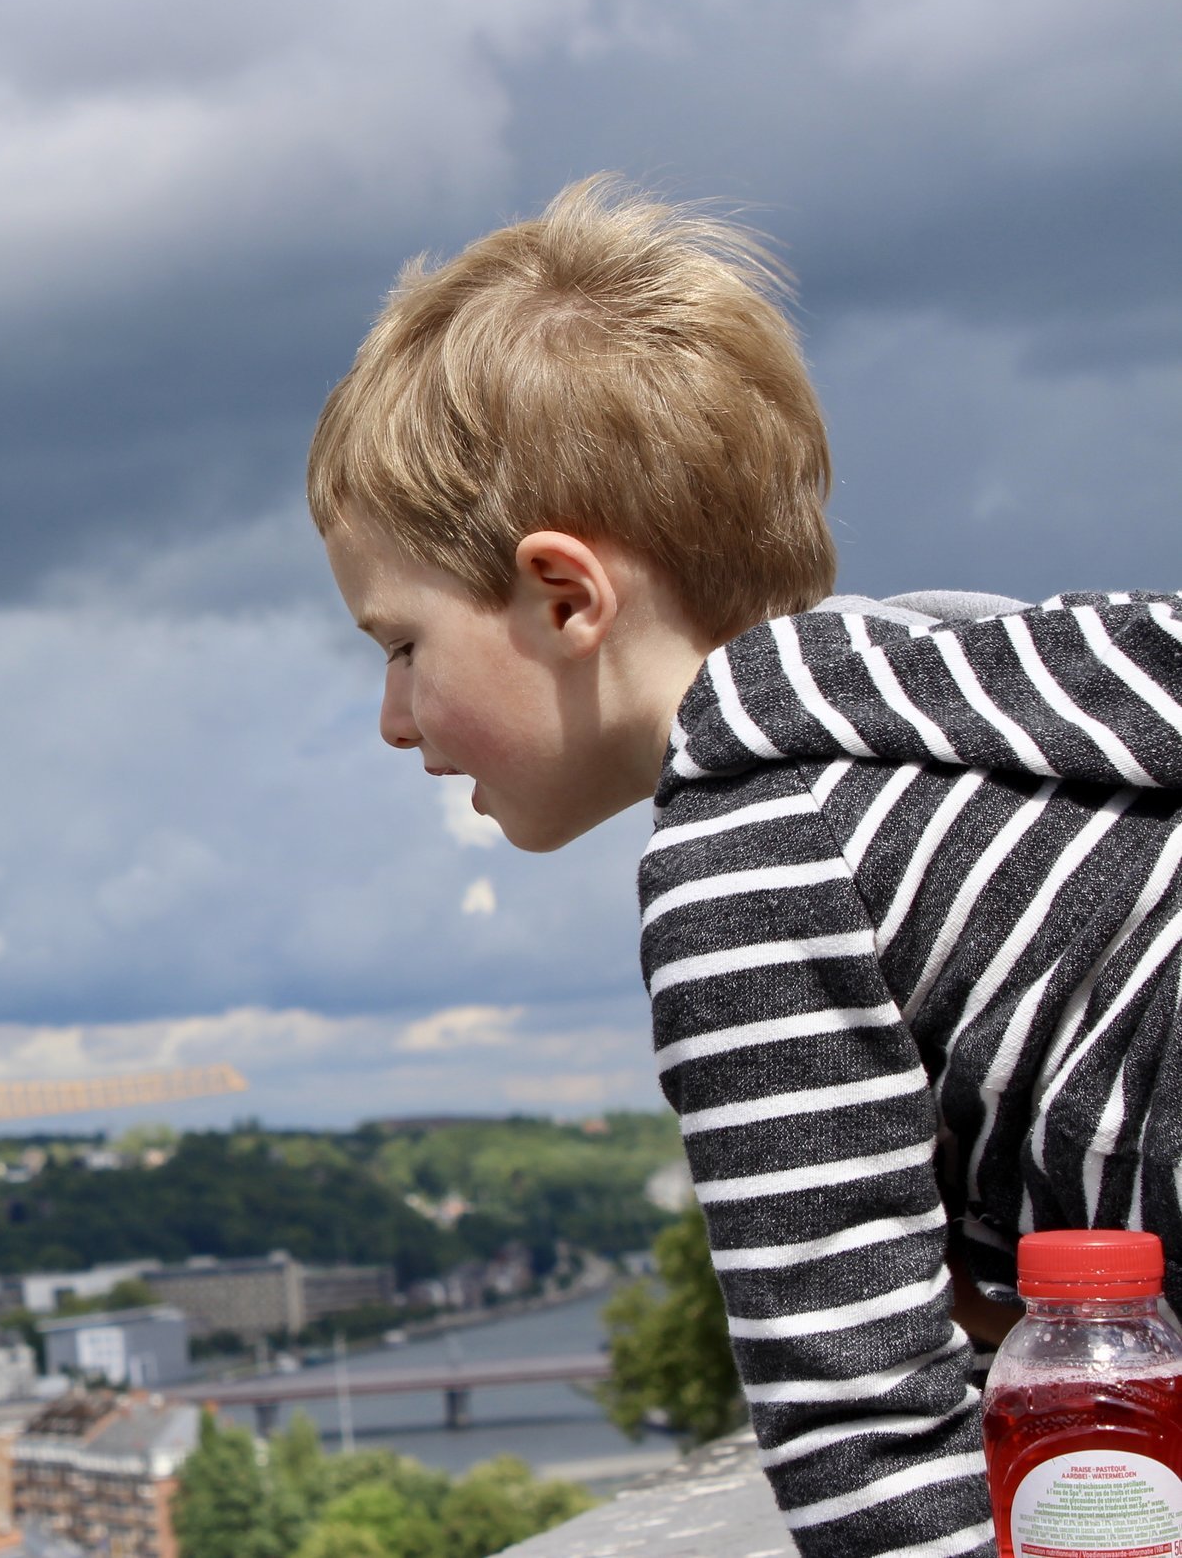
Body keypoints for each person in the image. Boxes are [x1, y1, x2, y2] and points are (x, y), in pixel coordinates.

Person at [306, 175, 1182, 1558]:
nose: (393, 718)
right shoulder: (980, 689)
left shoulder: (750, 856)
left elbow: (866, 1421)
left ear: (565, 596)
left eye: (401, 645)